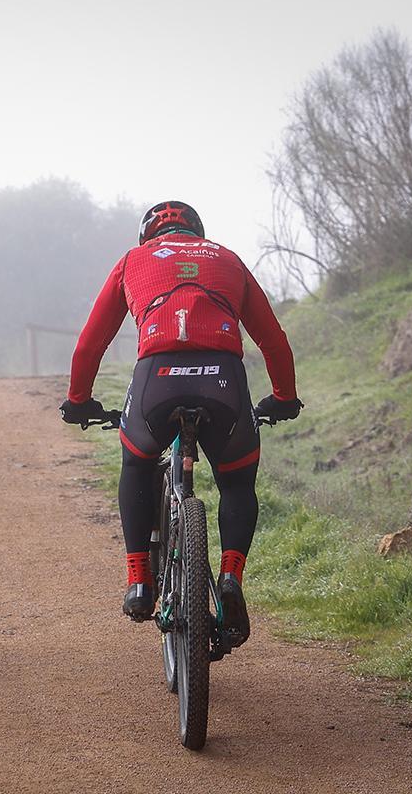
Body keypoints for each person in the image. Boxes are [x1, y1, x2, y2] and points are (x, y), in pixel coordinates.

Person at [59, 201, 302, 646]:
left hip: (158, 380)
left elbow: (90, 344)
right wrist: (284, 398)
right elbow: (274, 341)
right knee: (236, 482)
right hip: (224, 381)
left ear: (147, 236)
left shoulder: (132, 262)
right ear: (198, 232)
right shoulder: (227, 259)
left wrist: (79, 402)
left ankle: (139, 580)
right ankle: (230, 576)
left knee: (135, 463)